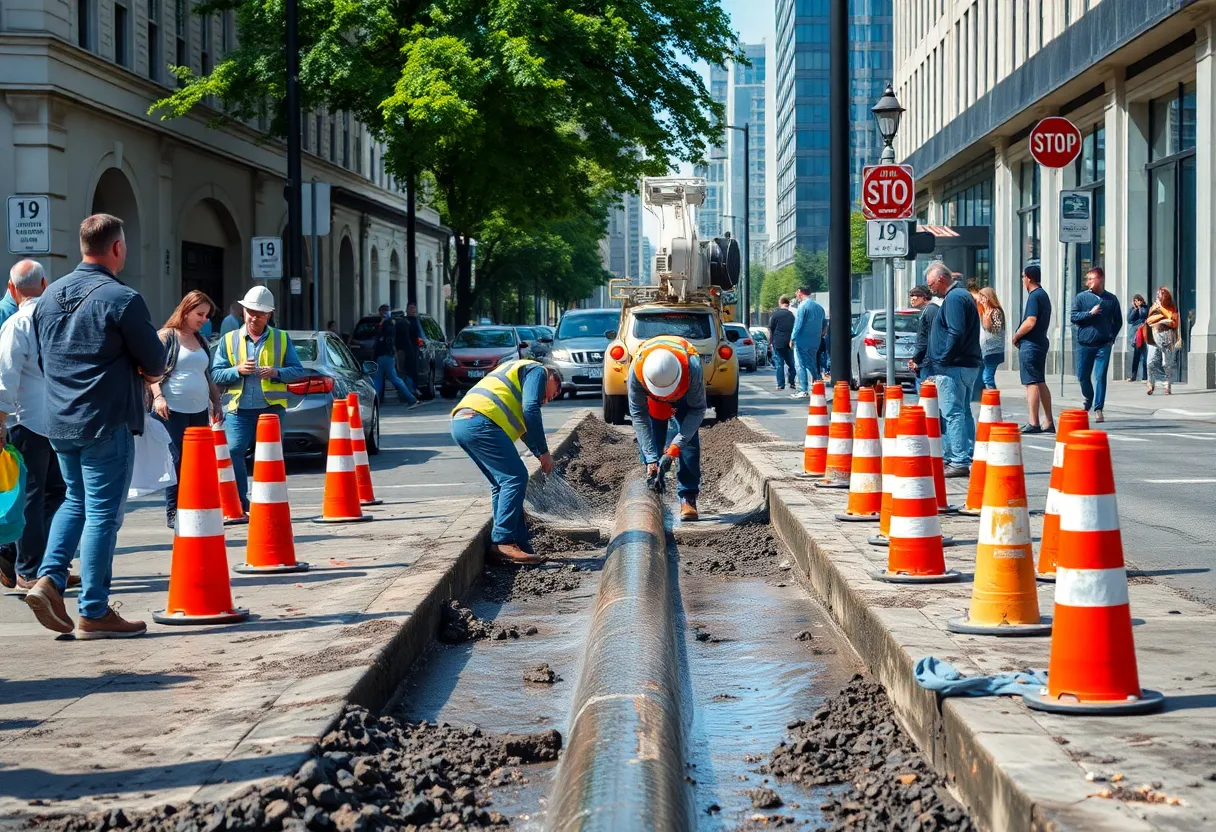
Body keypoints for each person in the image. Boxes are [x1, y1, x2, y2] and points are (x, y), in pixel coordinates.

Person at [24, 213, 167, 639]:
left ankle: (48, 579)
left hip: (60, 420)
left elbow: (46, 360)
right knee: (103, 515)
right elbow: (157, 362)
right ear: (118, 248)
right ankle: (94, 610)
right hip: (104, 419)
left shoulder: (48, 298)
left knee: (74, 501)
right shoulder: (122, 298)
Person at [0, 260, 73, 594]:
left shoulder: (17, 323)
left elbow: (5, 376)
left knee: (40, 496)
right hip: (52, 420)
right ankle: (30, 569)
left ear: (12, 289)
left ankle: (37, 566)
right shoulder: (58, 320)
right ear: (46, 283)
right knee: (49, 495)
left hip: (28, 421)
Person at [450, 358, 561, 565]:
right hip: (480, 421)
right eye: (555, 391)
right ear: (552, 376)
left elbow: (525, 424)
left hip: (462, 422)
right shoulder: (538, 371)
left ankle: (518, 545)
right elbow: (531, 410)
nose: (550, 398)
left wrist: (538, 452)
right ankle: (503, 541)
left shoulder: (515, 377)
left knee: (501, 483)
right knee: (516, 477)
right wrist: (544, 452)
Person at [211, 286, 308, 514]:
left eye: (260, 313)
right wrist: (237, 370)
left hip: (271, 409)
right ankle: (240, 504)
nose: (254, 317)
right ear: (243, 311)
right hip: (239, 409)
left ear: (269, 315)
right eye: (250, 312)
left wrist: (276, 372)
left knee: (270, 456)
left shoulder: (281, 338)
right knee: (234, 451)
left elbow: (297, 371)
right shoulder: (229, 339)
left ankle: (269, 502)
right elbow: (215, 374)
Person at [148, 291, 224, 528]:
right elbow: (150, 371)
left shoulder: (201, 340)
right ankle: (173, 511)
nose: (203, 319)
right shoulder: (166, 337)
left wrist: (216, 402)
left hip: (198, 409)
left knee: (196, 461)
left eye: (206, 316)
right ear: (186, 310)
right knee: (175, 460)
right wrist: (158, 396)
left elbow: (206, 374)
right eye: (199, 314)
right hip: (172, 410)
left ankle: (192, 505)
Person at [628, 335, 707, 521]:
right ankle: (652, 483)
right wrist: (650, 457)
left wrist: (674, 448)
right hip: (653, 399)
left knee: (688, 445)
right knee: (653, 442)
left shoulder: (692, 367)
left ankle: (688, 496)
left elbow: (697, 410)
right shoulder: (637, 372)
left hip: (685, 396)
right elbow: (639, 415)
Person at [923, 264, 982, 476]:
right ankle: (964, 454)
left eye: (931, 285)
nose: (930, 290)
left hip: (954, 365)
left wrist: (943, 358)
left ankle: (958, 460)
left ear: (941, 279)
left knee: (952, 413)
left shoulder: (955, 298)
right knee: (963, 411)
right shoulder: (962, 296)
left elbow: (956, 331)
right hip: (965, 363)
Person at [1070, 266, 1122, 423]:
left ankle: (1098, 408)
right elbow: (1073, 316)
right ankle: (1089, 397)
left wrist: (1112, 336)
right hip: (1085, 344)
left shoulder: (1111, 299)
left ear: (1101, 279)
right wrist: (1089, 314)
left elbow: (1118, 320)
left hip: (1103, 344)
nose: (1088, 282)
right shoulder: (1081, 297)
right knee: (1082, 376)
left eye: (1091, 279)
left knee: (1100, 376)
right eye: (1087, 279)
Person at [1010, 264, 1055, 434]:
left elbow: (1030, 321)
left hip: (1031, 344)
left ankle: (1033, 422)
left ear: (1028, 278)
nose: (1022, 280)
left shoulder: (1034, 296)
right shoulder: (1043, 295)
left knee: (1031, 383)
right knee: (1040, 381)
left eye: (1023, 277)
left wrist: (1016, 336)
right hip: (1040, 342)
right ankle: (1049, 421)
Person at [374, 305, 420, 407]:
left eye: (384, 312)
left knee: (391, 379)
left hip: (385, 354)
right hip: (386, 355)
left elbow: (385, 338)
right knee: (381, 379)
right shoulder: (387, 323)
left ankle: (411, 399)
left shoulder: (388, 324)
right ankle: (410, 399)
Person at [790, 287, 826, 398]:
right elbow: (824, 326)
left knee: (799, 364)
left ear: (800, 292)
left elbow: (798, 324)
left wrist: (792, 338)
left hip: (802, 340)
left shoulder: (802, 306)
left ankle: (803, 389)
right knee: (811, 363)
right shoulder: (820, 308)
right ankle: (817, 383)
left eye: (797, 292)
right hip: (815, 340)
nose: (796, 294)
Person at [1145, 286, 1180, 396]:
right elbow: (1149, 320)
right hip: (1154, 337)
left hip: (1167, 338)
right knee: (1150, 362)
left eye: (1160, 297)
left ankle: (1167, 385)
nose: (1158, 298)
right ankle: (1151, 384)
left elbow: (1174, 322)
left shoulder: (1172, 308)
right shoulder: (1154, 307)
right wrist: (1160, 316)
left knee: (1166, 364)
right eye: (1158, 296)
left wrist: (1162, 315)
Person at [977, 287, 1006, 391]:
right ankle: (985, 400)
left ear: (988, 297)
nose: (980, 300)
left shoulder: (995, 311)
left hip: (993, 349)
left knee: (987, 378)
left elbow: (993, 329)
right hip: (985, 349)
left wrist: (986, 317)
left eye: (983, 297)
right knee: (981, 376)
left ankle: (993, 401)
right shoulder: (984, 311)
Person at [907, 285, 937, 380]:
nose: (912, 299)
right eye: (911, 296)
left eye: (915, 295)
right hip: (924, 362)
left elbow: (927, 338)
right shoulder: (925, 311)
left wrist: (916, 359)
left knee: (927, 392)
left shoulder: (931, 310)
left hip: (929, 362)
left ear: (924, 297)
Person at [768, 295, 796, 391]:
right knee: (791, 364)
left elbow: (771, 329)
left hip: (778, 342)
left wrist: (770, 342)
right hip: (789, 342)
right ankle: (792, 382)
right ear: (787, 303)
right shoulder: (792, 315)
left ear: (780, 303)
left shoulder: (775, 315)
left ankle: (780, 385)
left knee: (779, 364)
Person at [1126, 294, 1149, 382]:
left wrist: (1140, 307)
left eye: (1138, 300)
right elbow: (1129, 320)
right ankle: (1133, 376)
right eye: (1135, 301)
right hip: (1136, 335)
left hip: (1144, 334)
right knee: (1136, 356)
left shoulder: (1145, 308)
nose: (1137, 302)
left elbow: (1144, 315)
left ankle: (1145, 376)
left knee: (1145, 356)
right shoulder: (1132, 309)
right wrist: (1135, 310)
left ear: (1142, 300)